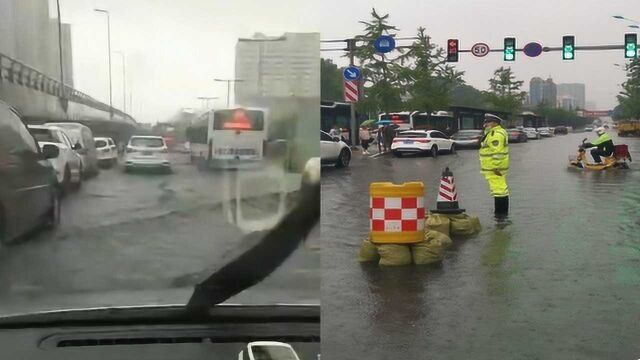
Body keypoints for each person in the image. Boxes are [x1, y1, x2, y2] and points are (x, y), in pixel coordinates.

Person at [479, 114, 510, 215]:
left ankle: (501, 215)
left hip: (495, 169)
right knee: (500, 190)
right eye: (485, 122)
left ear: (495, 123)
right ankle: (502, 214)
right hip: (495, 168)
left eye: (488, 122)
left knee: (499, 191)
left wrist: (496, 167)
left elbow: (497, 152)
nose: (485, 124)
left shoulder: (495, 135)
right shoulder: (494, 133)